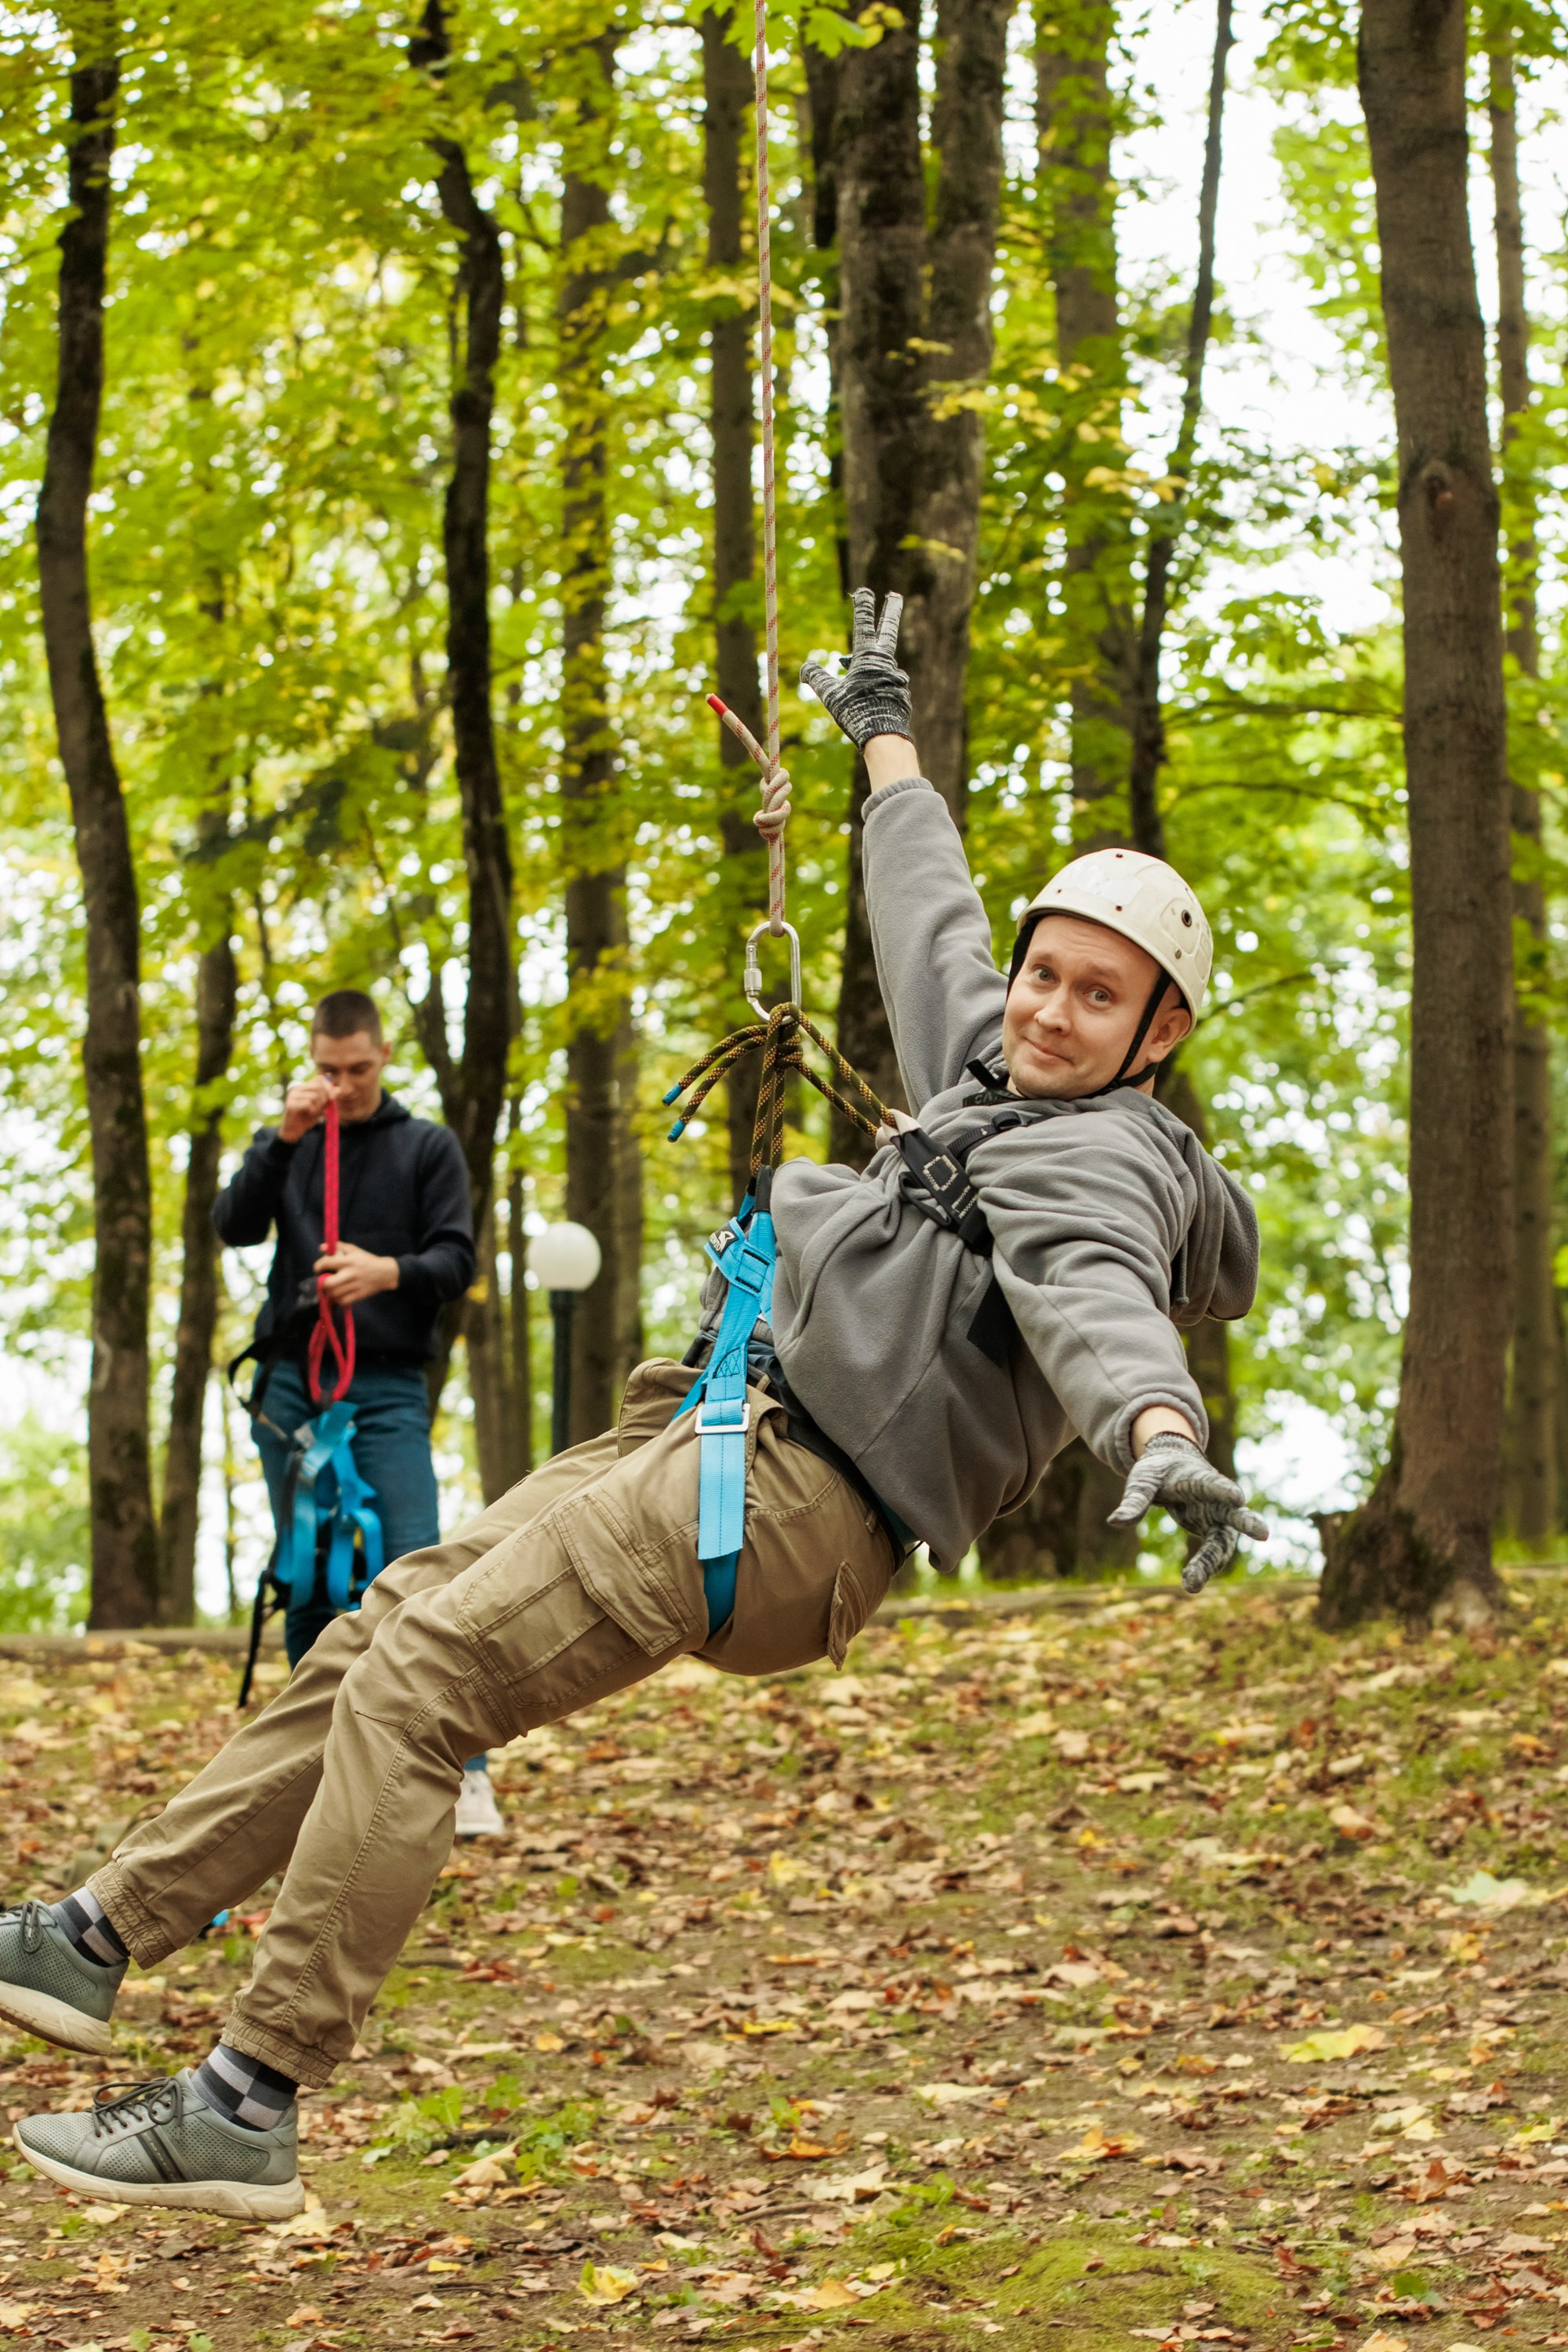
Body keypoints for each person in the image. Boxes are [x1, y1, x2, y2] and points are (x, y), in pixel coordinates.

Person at [0, 593, 1265, 2218]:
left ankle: (250, 2095)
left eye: (1099, 999)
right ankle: (97, 1936)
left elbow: (1094, 1299)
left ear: (1158, 1037)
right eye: (1046, 975)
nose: (1044, 1009)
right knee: (385, 1622)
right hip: (713, 1425)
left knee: (430, 1684)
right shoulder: (990, 1066)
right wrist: (880, 725)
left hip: (798, 1509)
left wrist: (1157, 1437)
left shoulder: (1098, 1161)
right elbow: (928, 904)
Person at [215, 989, 500, 1838]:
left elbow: (456, 1258)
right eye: (327, 1070)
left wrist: (388, 1273)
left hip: (383, 1386)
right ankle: (323, 1772)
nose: (341, 1085)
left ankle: (464, 1773)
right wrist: (284, 1139)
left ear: (382, 1057)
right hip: (292, 1385)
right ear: (313, 1061)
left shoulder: (427, 1146)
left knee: (415, 1573)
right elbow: (233, 1225)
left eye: (358, 1069)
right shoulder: (291, 1142)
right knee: (309, 1578)